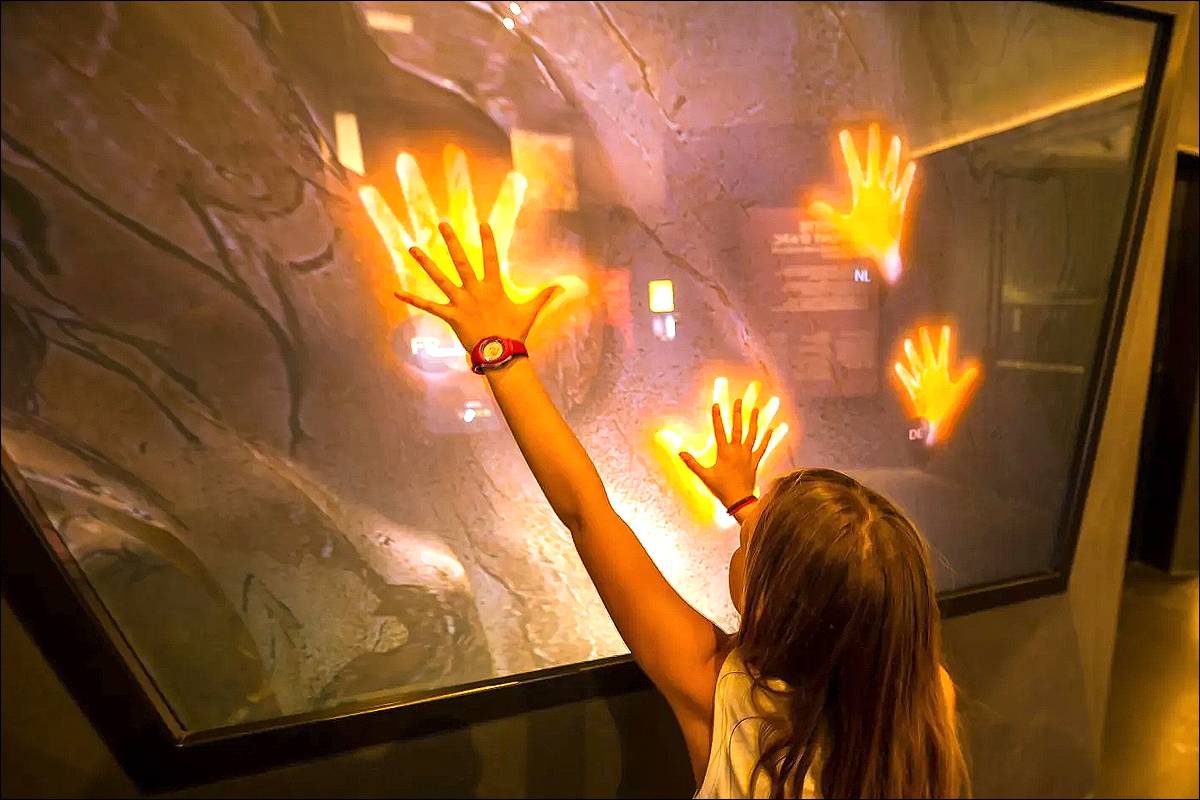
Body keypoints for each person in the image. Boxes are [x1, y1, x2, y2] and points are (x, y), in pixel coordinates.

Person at [394, 221, 969, 799]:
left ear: (772, 604)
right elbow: (842, 599)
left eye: (751, 540)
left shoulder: (724, 698)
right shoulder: (920, 704)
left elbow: (586, 512)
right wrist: (743, 503)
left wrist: (500, 353)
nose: (744, 528)